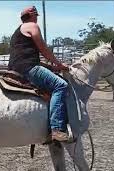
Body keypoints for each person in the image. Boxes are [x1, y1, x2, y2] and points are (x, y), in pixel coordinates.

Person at [8, 6, 71, 142]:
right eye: (36, 16)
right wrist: (59, 64)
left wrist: (51, 67)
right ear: (33, 16)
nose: (37, 18)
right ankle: (56, 129)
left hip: (16, 67)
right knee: (61, 85)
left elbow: (27, 56)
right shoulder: (33, 26)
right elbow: (43, 49)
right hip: (28, 68)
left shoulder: (18, 31)